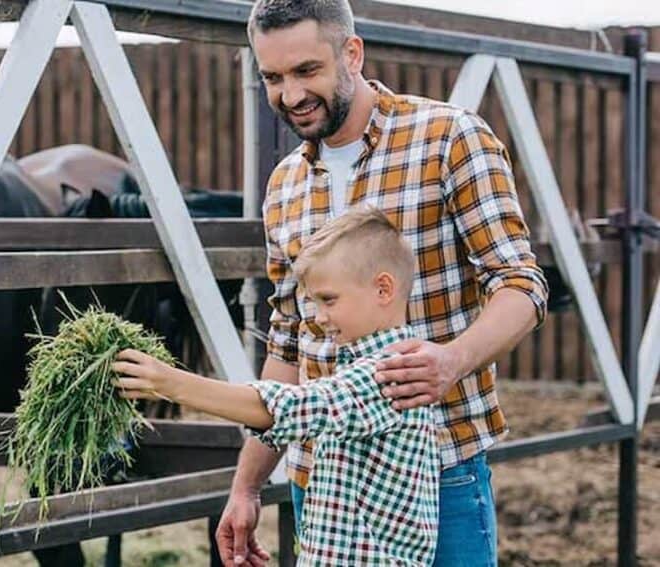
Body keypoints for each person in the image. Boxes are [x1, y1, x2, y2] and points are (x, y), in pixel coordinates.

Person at [213, 1, 550, 565]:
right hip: (324, 485)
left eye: (306, 70)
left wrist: (451, 361)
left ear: (352, 53)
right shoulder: (285, 184)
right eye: (272, 77)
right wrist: (247, 486)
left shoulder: (449, 138)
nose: (290, 95)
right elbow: (289, 344)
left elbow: (519, 283)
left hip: (436, 474)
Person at [115, 207, 439, 565]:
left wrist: (172, 383)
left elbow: (291, 408)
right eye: (314, 303)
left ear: (383, 289)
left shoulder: (393, 374)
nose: (319, 317)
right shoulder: (361, 367)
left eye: (329, 300)